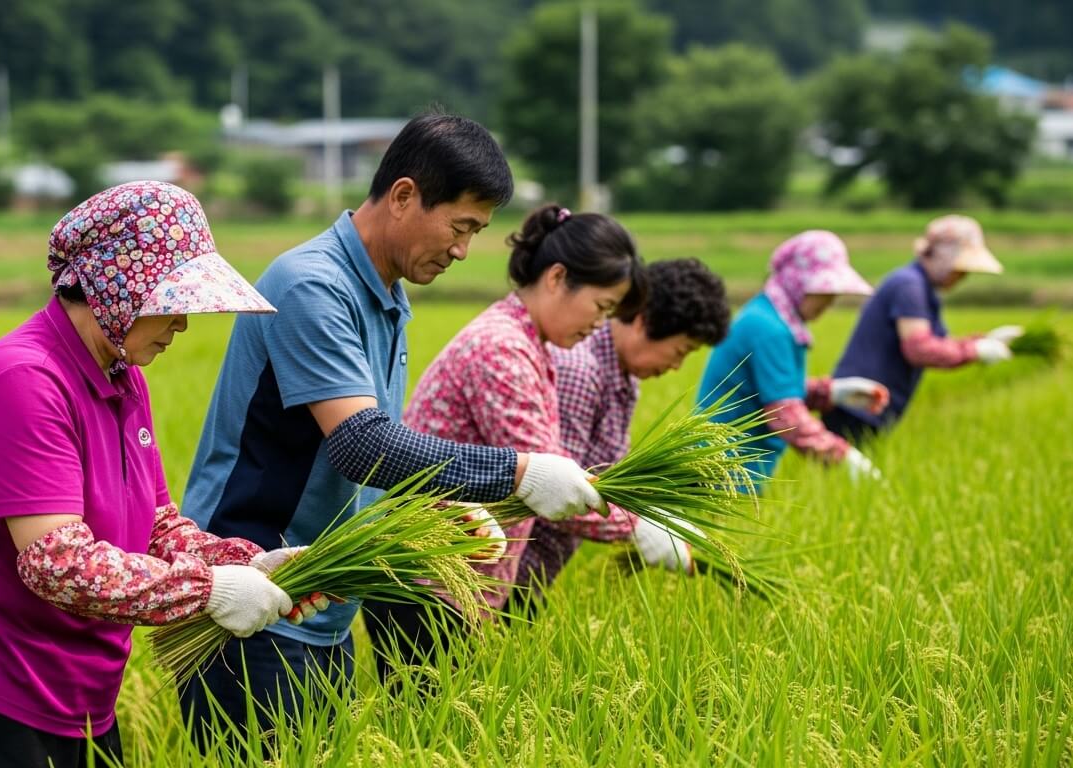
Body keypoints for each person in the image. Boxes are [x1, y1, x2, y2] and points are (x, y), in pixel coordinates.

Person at [179, 115, 606, 748]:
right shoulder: (313, 286)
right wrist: (518, 472)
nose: (462, 250)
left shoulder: (384, 293)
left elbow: (368, 470)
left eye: (475, 233)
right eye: (459, 227)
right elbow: (361, 444)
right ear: (404, 196)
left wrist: (440, 508)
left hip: (322, 611)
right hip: (257, 604)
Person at [0, 181, 324, 768]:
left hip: (83, 697)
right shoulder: (25, 381)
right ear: (116, 287)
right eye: (172, 301)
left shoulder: (124, 378)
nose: (183, 325)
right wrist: (209, 592)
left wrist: (242, 562)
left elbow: (155, 526)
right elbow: (58, 562)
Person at [363, 203, 649, 679]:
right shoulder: (502, 351)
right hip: (427, 584)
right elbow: (554, 483)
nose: (600, 325)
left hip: (456, 584)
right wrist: (636, 528)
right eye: (600, 307)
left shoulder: (528, 344)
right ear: (557, 278)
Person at [515, 258, 733, 613]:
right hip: (499, 572)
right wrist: (636, 527)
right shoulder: (579, 370)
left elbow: (605, 475)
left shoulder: (622, 378)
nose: (676, 366)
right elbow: (557, 489)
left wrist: (653, 515)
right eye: (681, 351)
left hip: (530, 575)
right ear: (644, 322)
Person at [698, 231, 888, 487]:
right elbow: (784, 414)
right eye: (824, 291)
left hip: (735, 465)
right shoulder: (768, 328)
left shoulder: (770, 317)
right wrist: (843, 456)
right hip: (723, 469)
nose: (830, 301)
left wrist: (829, 392)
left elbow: (769, 389)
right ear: (797, 281)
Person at [823, 215, 1018, 443]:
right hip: (858, 404)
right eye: (960, 268)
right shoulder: (909, 286)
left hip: (871, 404)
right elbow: (919, 348)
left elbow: (937, 342)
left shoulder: (921, 288)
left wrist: (983, 340)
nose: (963, 277)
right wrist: (974, 351)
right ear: (941, 255)